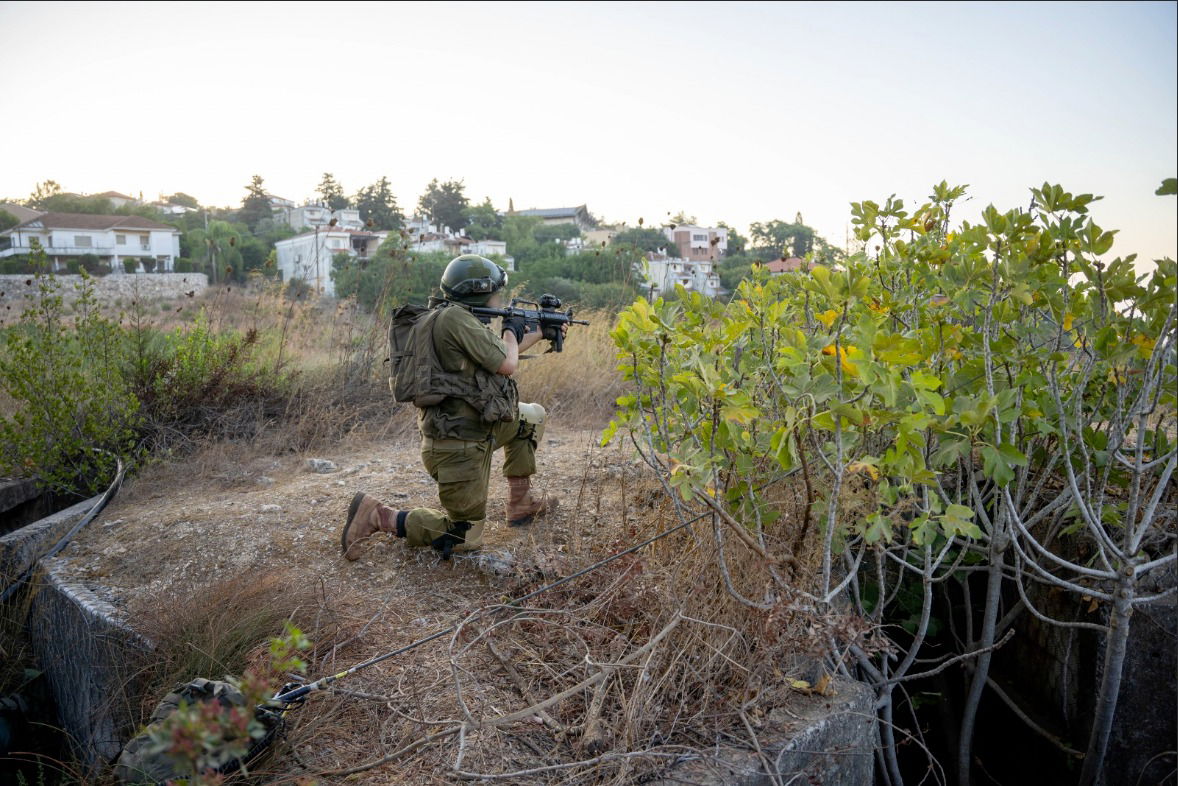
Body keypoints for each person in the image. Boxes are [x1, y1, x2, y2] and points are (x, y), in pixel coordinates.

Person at [340, 254, 560, 561]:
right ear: (480, 292)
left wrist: (539, 331)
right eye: (496, 293)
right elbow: (508, 362)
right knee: (464, 538)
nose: (500, 299)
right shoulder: (456, 320)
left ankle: (521, 503)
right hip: (458, 449)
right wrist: (511, 329)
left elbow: (496, 356)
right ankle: (378, 515)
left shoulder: (450, 317)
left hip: (475, 430)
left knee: (531, 417)